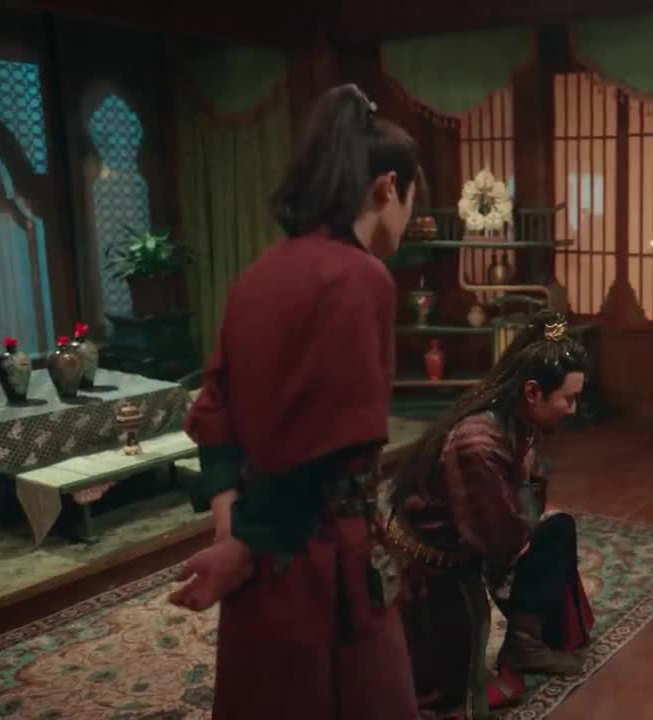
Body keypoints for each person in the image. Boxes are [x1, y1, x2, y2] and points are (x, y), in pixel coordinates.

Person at [167, 83, 423, 720]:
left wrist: (232, 524)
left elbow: (215, 408)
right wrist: (245, 544)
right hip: (319, 556)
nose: (410, 220)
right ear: (388, 187)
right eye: (413, 202)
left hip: (260, 545)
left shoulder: (260, 272)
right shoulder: (362, 278)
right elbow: (328, 444)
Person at [383, 311, 592, 719]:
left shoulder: (518, 417)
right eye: (568, 398)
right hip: (433, 574)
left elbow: (522, 503)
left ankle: (524, 646)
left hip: (472, 544)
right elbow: (502, 542)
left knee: (557, 530)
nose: (573, 408)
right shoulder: (478, 443)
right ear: (533, 392)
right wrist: (522, 536)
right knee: (449, 700)